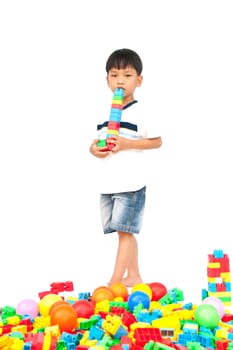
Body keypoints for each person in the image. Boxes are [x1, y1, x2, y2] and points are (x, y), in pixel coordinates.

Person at [89, 48, 162, 287]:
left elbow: (157, 141)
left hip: (130, 183)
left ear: (139, 80)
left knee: (126, 231)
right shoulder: (104, 114)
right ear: (107, 80)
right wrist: (96, 150)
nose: (120, 80)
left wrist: (127, 144)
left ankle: (114, 282)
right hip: (109, 183)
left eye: (127, 75)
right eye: (114, 74)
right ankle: (134, 275)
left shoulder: (143, 111)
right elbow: (97, 145)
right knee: (123, 231)